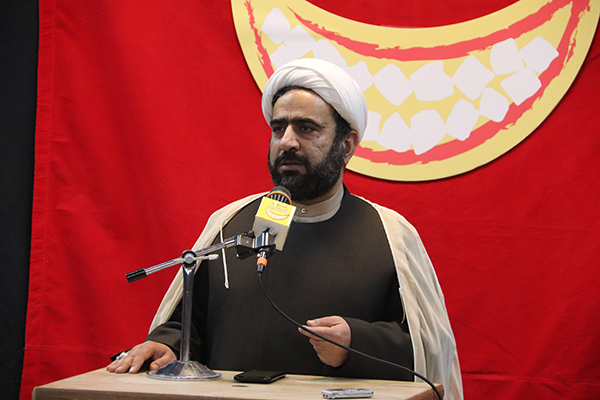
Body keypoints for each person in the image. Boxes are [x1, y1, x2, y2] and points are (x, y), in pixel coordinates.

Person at [107, 58, 463, 400]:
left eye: (306, 128)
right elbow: (190, 324)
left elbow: (427, 352)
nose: (287, 142)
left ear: (347, 145)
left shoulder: (390, 234)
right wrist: (167, 346)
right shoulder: (229, 222)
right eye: (279, 129)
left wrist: (356, 343)